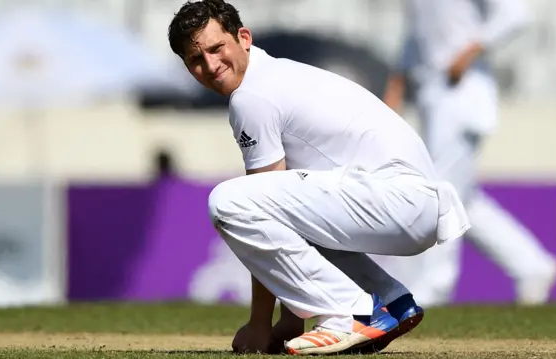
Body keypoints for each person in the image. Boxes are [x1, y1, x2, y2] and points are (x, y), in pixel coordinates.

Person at [168, 0, 470, 355]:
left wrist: (260, 325)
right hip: (408, 202)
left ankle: (347, 313)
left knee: (227, 202)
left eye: (217, 48)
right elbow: (283, 213)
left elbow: (259, 204)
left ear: (244, 37)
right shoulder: (274, 74)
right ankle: (386, 299)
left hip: (396, 198)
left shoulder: (252, 96)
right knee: (277, 208)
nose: (210, 65)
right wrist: (291, 321)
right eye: (196, 60)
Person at [382, 0, 556, 307]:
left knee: (440, 192)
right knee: (465, 201)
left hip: (462, 93)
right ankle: (532, 266)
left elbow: (515, 15)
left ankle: (434, 287)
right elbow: (420, 34)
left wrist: (469, 51)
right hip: (432, 97)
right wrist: (398, 80)